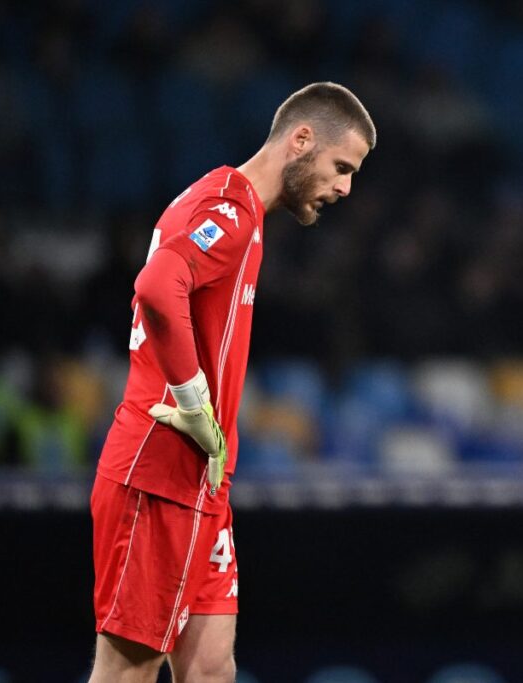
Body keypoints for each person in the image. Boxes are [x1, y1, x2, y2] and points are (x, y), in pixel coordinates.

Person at [88, 82, 375, 683]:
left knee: (212, 668)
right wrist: (193, 400)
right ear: (301, 140)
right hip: (160, 468)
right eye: (340, 167)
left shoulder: (235, 207)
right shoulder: (231, 210)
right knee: (127, 673)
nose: (346, 187)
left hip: (201, 478)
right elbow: (155, 286)